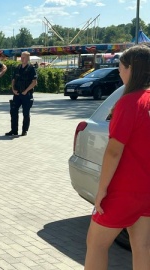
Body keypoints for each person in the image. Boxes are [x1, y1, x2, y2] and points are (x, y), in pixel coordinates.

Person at [84, 44, 150, 269]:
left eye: (121, 67)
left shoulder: (130, 102)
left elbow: (114, 151)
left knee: (96, 243)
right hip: (147, 190)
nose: (119, 72)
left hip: (124, 190)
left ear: (131, 68)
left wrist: (101, 189)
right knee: (142, 246)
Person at [6, 51, 37, 137]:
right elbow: (13, 80)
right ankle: (14, 130)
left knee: (26, 113)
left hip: (26, 94)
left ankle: (24, 130)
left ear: (28, 58)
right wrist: (13, 89)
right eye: (21, 57)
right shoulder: (18, 68)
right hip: (17, 94)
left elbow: (34, 82)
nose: (22, 59)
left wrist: (26, 90)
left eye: (24, 57)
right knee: (13, 111)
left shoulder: (31, 68)